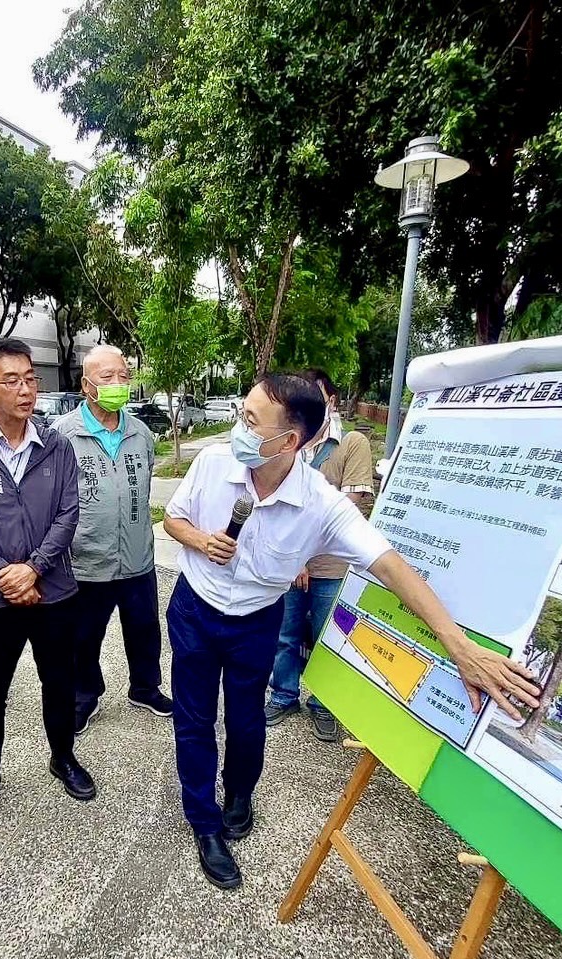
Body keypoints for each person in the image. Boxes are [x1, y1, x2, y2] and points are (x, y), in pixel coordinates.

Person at [163, 374, 541, 890]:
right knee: (194, 719)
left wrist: (459, 645)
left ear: (289, 441)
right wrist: (202, 542)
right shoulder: (211, 463)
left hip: (256, 622)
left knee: (247, 719)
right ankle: (205, 824)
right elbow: (172, 519)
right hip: (195, 611)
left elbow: (390, 566)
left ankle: (240, 793)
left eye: (251, 422)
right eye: (241, 416)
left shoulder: (321, 504)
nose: (239, 430)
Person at [0, 337, 96, 824]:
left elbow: (69, 512)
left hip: (53, 590)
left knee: (58, 681)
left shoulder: (56, 445)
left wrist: (34, 567)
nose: (25, 389)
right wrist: (4, 573)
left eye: (30, 378)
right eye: (11, 380)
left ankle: (63, 757)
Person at [53, 345, 173, 735]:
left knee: (144, 628)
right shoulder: (62, 435)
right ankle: (84, 696)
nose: (119, 383)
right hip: (87, 559)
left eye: (124, 375)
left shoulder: (140, 433)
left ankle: (145, 687)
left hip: (138, 555)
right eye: (108, 377)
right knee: (84, 637)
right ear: (87, 385)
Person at [265, 369, 375, 742]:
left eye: (317, 394)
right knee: (285, 633)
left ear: (330, 398)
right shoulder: (289, 442)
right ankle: (283, 694)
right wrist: (296, 560)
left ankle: (325, 704)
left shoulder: (351, 443)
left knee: (331, 637)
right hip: (288, 565)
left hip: (331, 566)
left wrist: (307, 558)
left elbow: (352, 503)